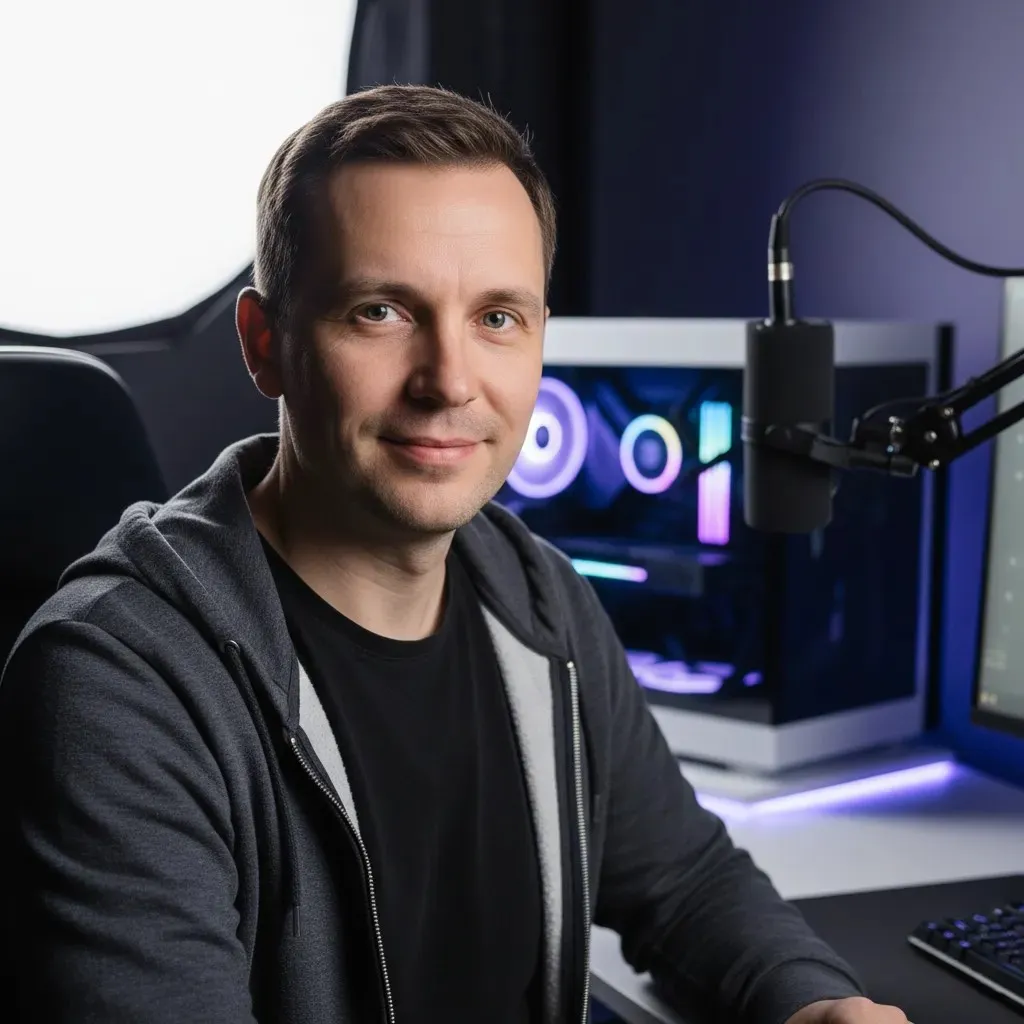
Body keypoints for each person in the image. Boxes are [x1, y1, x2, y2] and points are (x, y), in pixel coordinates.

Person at [0, 84, 909, 1024]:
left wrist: (816, 1005)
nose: (450, 382)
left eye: (498, 318)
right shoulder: (116, 688)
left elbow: (684, 880)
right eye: (381, 312)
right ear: (265, 345)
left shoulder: (538, 598)